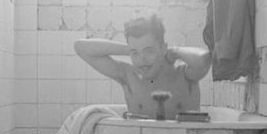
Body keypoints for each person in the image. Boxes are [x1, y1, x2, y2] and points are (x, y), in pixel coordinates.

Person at [74, 14, 211, 119]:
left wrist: (174, 52)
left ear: (163, 49)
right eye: (135, 54)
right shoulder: (129, 77)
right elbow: (80, 47)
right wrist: (132, 49)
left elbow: (203, 59)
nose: (142, 60)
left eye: (149, 51)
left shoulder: (184, 75)